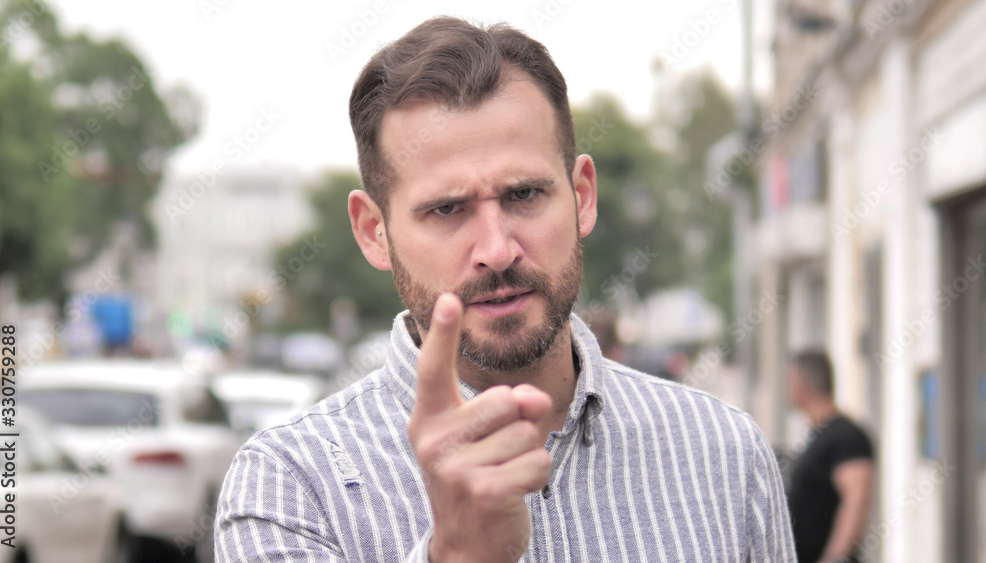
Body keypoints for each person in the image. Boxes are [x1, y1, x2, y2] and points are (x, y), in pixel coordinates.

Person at [215, 16, 796, 562]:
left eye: (524, 195)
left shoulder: (725, 455)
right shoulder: (291, 486)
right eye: (447, 209)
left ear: (582, 196)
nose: (496, 250)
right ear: (375, 232)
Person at [785, 350, 874, 563]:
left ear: (800, 385)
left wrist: (834, 558)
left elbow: (856, 501)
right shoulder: (817, 435)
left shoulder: (846, 436)